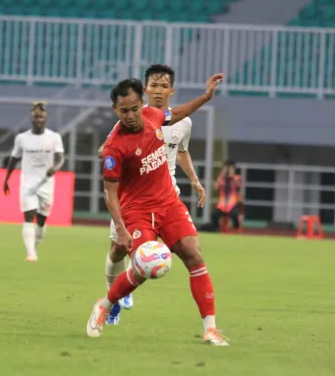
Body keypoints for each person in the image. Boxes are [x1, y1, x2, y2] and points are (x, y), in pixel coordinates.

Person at [86, 74, 229, 346]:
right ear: (115, 111)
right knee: (143, 268)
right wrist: (122, 229)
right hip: (137, 211)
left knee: (194, 256)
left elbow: (175, 114)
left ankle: (210, 329)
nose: (129, 115)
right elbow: (110, 193)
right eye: (123, 111)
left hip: (168, 203)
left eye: (134, 109)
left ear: (142, 104)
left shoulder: (153, 116)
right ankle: (104, 304)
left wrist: (205, 97)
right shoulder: (114, 148)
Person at [97, 64, 206, 325]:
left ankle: (122, 292)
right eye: (153, 86)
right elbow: (106, 149)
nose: (158, 91)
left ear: (171, 90)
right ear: (146, 90)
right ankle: (112, 300)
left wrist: (194, 180)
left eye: (163, 86)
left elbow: (181, 152)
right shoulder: (133, 117)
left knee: (172, 252)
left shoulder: (183, 122)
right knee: (117, 251)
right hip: (133, 197)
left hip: (166, 194)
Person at [3, 101, 65, 261]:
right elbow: (14, 159)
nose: (37, 119)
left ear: (45, 118)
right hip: (28, 183)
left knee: (42, 220)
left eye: (40, 117)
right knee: (29, 216)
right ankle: (31, 253)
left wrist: (55, 168)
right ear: (31, 118)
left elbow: (60, 158)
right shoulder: (22, 138)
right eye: (35, 116)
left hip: (46, 183)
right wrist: (6, 179)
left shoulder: (54, 137)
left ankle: (34, 247)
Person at [210, 160, 243, 231]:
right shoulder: (222, 179)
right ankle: (216, 228)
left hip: (232, 204)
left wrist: (232, 176)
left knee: (235, 214)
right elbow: (215, 187)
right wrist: (222, 174)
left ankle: (236, 228)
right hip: (222, 205)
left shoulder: (237, 178)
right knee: (214, 214)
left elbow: (238, 186)